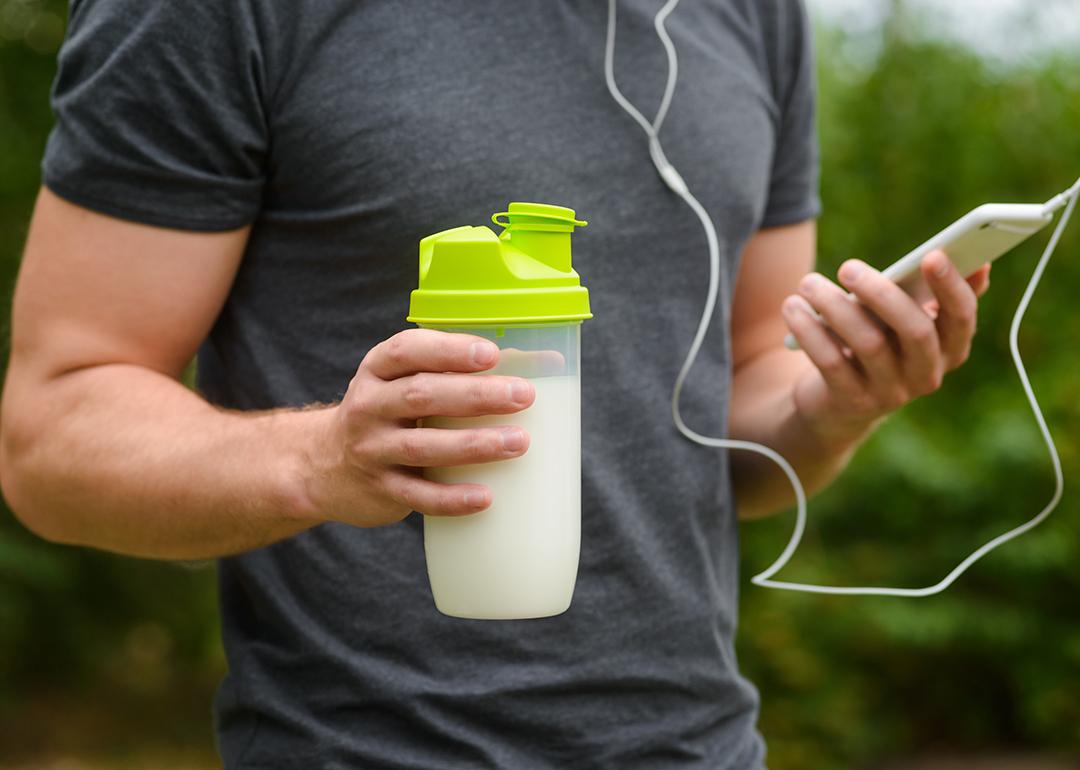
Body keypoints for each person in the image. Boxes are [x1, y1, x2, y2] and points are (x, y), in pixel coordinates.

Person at [0, 1, 989, 767]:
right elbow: (52, 430)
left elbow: (738, 412)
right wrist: (320, 458)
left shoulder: (748, 13)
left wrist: (836, 401)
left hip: (704, 745)